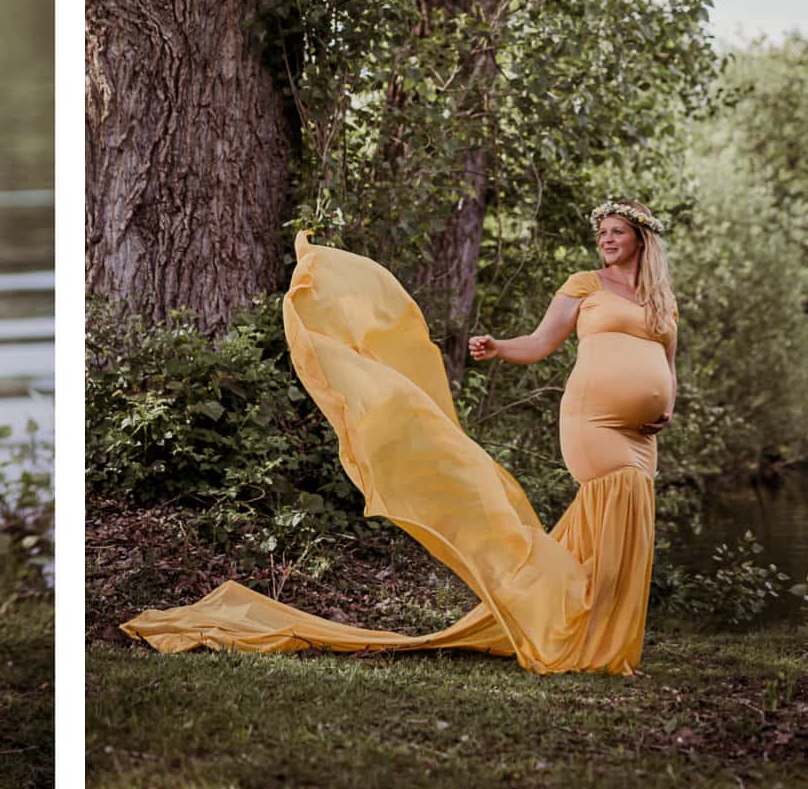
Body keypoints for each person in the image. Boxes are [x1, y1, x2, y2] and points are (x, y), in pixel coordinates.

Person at [121, 199, 677, 675]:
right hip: (593, 423)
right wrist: (499, 348)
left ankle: (594, 633)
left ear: (640, 241)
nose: (605, 241)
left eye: (616, 233)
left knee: (624, 526)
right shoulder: (585, 286)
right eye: (602, 233)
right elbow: (540, 342)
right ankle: (583, 636)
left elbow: (667, 361)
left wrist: (667, 404)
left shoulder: (660, 301)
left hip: (642, 434)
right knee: (615, 505)